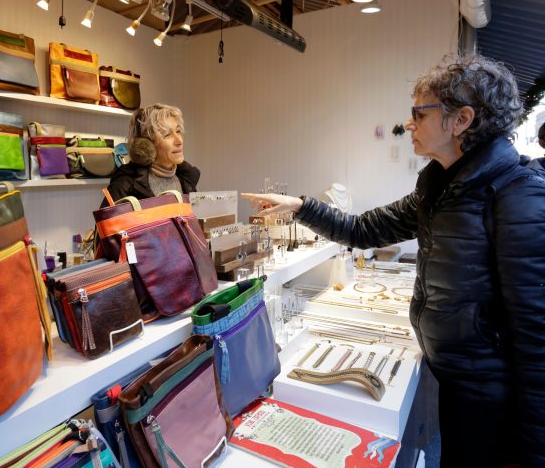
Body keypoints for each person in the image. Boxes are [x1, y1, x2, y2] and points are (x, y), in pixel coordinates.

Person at [244, 54, 545, 467]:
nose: (408, 125)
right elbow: (365, 229)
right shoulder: (440, 187)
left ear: (461, 120)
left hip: (491, 397)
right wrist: (299, 205)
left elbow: (537, 336)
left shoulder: (517, 196)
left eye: (418, 113)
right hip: (459, 380)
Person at [102, 103, 200, 205]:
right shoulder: (126, 183)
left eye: (178, 131)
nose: (179, 140)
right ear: (147, 144)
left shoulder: (186, 179)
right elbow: (104, 221)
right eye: (167, 134)